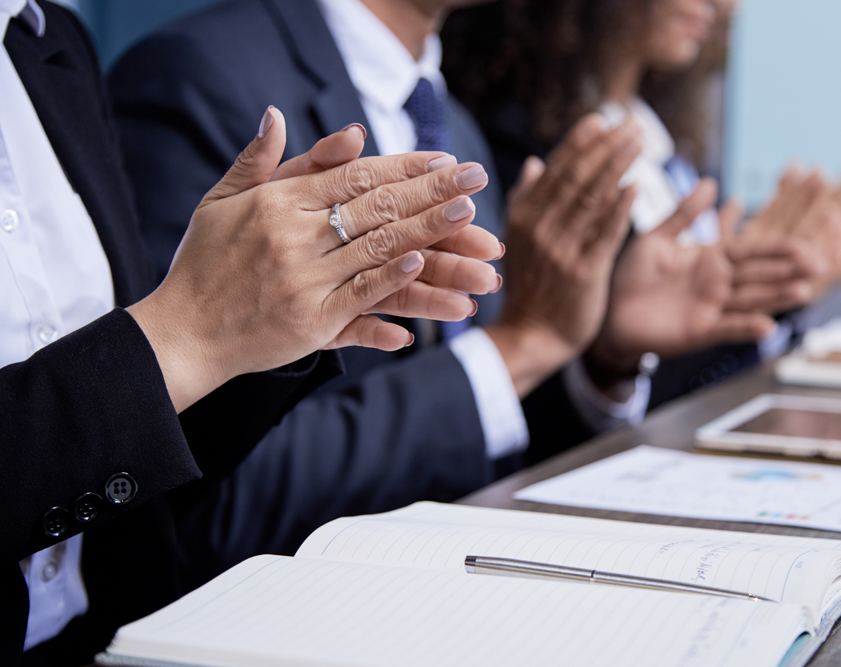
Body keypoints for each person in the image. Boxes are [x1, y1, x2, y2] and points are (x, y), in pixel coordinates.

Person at [108, 0, 691, 585]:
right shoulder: (199, 75)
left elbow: (477, 429)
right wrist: (518, 349)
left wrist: (601, 356)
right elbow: (198, 499)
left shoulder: (451, 123)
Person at [0, 0, 503, 662]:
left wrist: (262, 336)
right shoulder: (195, 67)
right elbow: (161, 352)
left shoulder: (47, 44)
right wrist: (184, 333)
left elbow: (142, 470)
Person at [442, 0, 841, 404]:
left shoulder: (663, 144)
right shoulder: (519, 144)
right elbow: (556, 390)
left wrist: (774, 287)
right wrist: (620, 354)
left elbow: (674, 343)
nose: (727, 8)